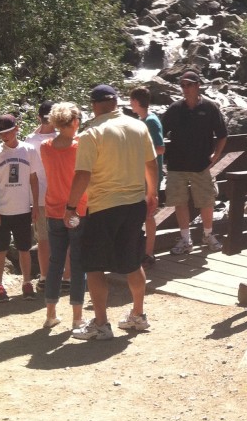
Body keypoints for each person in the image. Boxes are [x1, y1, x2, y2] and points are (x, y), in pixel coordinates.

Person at [66, 84, 158, 340]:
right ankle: (138, 316)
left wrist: (71, 207)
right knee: (132, 261)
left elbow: (82, 174)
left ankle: (101, 324)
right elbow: (150, 163)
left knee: (94, 266)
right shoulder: (139, 126)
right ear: (116, 102)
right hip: (134, 204)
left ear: (94, 105)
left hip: (104, 206)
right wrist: (152, 193)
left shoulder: (91, 133)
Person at [161, 70, 228, 255]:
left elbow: (222, 135)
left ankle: (208, 235)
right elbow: (159, 133)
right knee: (179, 201)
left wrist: (215, 156)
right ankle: (185, 239)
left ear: (198, 85)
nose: (185, 88)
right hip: (176, 165)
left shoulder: (210, 107)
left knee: (206, 200)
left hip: (201, 164)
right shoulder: (175, 109)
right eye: (182, 85)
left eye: (189, 84)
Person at [40, 102, 87, 331]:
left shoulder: (45, 147)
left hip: (53, 211)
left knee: (55, 262)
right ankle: (77, 317)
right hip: (78, 210)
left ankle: (51, 314)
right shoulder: (80, 147)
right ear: (75, 122)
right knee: (78, 263)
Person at [0, 114, 40, 302]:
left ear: (16, 129)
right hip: (1, 211)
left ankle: (27, 283)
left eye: (7, 131)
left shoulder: (29, 150)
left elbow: (33, 179)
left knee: (24, 248)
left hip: (23, 209)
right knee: (0, 249)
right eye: (0, 134)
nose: (4, 136)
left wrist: (35, 206)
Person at [130, 86, 165, 268]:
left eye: (131, 100)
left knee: (148, 214)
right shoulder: (145, 120)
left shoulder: (150, 122)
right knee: (143, 214)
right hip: (141, 175)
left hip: (149, 176)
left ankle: (149, 253)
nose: (130, 104)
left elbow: (160, 148)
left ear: (136, 102)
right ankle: (143, 252)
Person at [27, 100, 56, 291]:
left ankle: (45, 277)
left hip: (37, 196)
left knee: (43, 238)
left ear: (39, 117)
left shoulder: (29, 141)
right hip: (61, 194)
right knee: (64, 237)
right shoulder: (66, 137)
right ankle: (65, 276)